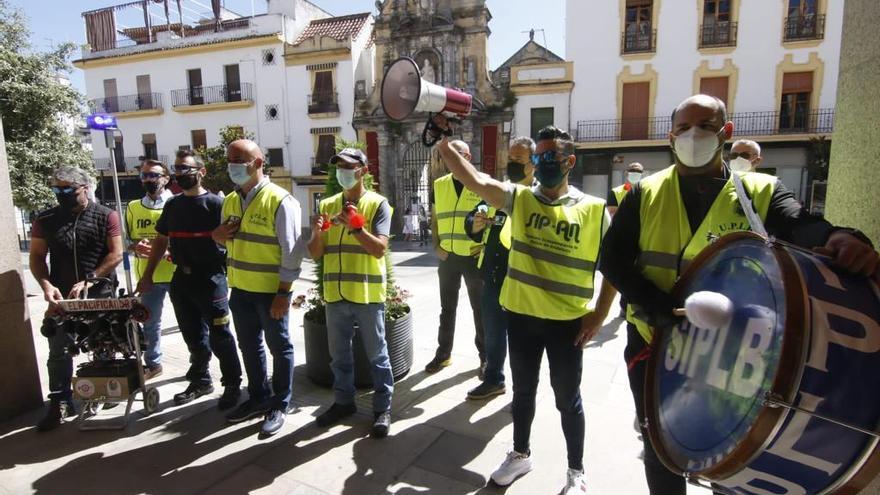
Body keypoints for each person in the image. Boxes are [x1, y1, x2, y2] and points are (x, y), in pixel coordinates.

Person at [599, 94, 880, 495]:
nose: (693, 135)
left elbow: (804, 225)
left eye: (706, 127)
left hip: (734, 356)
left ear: (726, 133)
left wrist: (840, 238)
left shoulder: (760, 191)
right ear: (671, 135)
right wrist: (657, 307)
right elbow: (612, 260)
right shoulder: (645, 193)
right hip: (656, 346)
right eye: (683, 128)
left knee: (729, 452)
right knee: (660, 446)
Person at [435, 121, 617, 494]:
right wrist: (442, 142)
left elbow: (616, 267)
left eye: (551, 156)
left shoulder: (595, 210)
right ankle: (520, 454)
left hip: (568, 324)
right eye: (539, 156)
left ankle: (575, 471)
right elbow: (474, 180)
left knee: (568, 399)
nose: (544, 163)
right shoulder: (520, 198)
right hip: (521, 318)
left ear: (570, 160)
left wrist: (599, 313)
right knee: (523, 393)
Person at [136, 150, 243, 411]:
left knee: (220, 335)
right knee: (193, 336)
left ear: (201, 172)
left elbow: (236, 243)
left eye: (186, 169)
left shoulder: (217, 205)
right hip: (181, 282)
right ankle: (201, 380)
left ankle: (232, 384)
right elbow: (161, 240)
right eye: (177, 169)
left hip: (211, 280)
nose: (180, 174)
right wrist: (148, 275)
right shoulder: (172, 205)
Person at [212, 140, 302, 437]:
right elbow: (223, 240)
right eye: (230, 159)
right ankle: (259, 397)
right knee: (249, 347)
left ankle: (280, 402)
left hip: (270, 293)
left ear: (259, 162)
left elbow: (291, 252)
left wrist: (284, 294)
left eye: (239, 159)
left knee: (280, 347)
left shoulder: (280, 200)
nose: (232, 164)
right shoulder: (230, 200)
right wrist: (217, 235)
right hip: (240, 291)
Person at [308, 148, 394, 438]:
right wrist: (317, 234)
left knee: (377, 356)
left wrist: (357, 228)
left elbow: (380, 249)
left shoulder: (378, 204)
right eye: (339, 166)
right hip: (335, 294)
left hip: (367, 295)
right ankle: (343, 402)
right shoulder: (328, 204)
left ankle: (382, 409)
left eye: (349, 166)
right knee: (339, 357)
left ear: (363, 171)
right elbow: (316, 253)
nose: (343, 171)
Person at [30, 165, 123, 431]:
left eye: (67, 189)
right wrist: (46, 285)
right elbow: (36, 256)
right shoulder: (45, 219)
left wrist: (90, 279)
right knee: (59, 349)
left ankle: (105, 392)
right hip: (62, 297)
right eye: (57, 189)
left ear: (84, 188)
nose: (62, 194)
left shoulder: (106, 216)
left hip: (98, 293)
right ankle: (60, 401)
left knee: (102, 344)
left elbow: (116, 253)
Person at [462, 136, 535, 400]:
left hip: (524, 280)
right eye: (510, 159)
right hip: (493, 277)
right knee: (493, 334)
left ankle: (524, 391)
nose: (512, 164)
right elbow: (473, 217)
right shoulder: (499, 191)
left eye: (519, 160)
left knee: (523, 341)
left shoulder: (539, 197)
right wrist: (475, 223)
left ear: (533, 163)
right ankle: (494, 378)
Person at [425, 140, 486, 376]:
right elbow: (435, 219)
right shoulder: (439, 185)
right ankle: (443, 354)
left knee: (480, 310)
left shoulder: (483, 182)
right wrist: (436, 245)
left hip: (474, 256)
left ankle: (485, 357)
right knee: (446, 309)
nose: (449, 160)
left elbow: (494, 219)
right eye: (446, 155)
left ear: (468, 158)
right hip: (448, 257)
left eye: (456, 154)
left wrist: (486, 248)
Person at [125, 159, 174, 380]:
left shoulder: (177, 203)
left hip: (176, 274)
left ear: (166, 178)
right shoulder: (133, 207)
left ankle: (199, 366)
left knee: (190, 322)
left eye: (153, 175)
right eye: (144, 175)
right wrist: (135, 246)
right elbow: (126, 241)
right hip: (148, 277)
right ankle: (153, 363)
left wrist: (166, 252)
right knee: (150, 322)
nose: (148, 179)